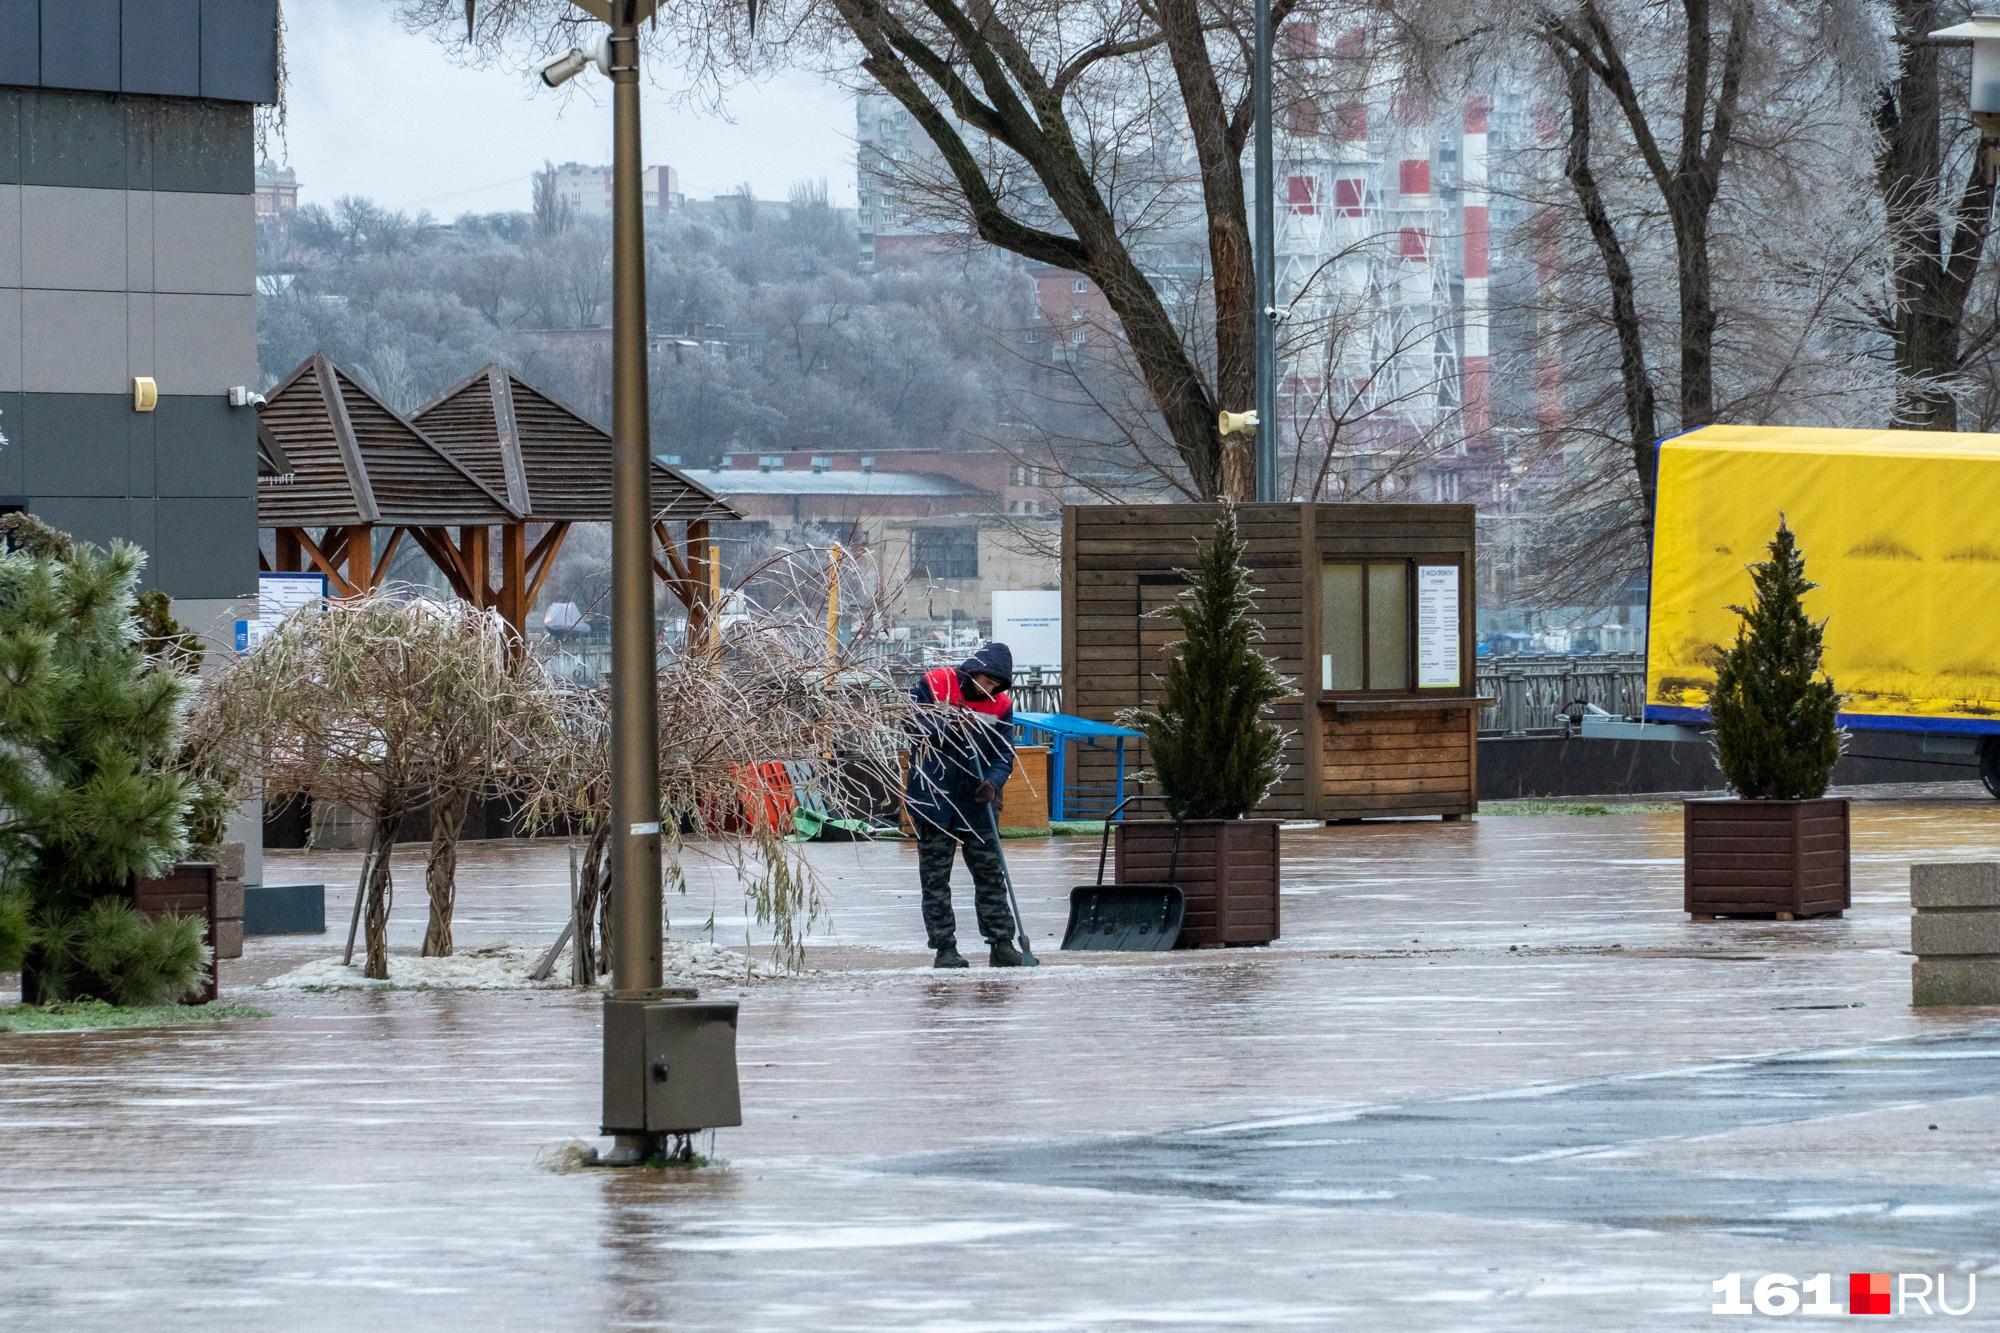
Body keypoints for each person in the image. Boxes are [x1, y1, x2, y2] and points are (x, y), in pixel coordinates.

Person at [906, 642, 1020, 968]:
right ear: (974, 671)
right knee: (935, 878)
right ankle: (945, 948)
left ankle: (1002, 943)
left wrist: (994, 783)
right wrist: (949, 728)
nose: (990, 690)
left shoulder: (1001, 705)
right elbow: (913, 726)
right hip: (933, 797)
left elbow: (1003, 754)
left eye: (996, 686)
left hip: (977, 803)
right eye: (987, 682)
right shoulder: (936, 684)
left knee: (990, 875)